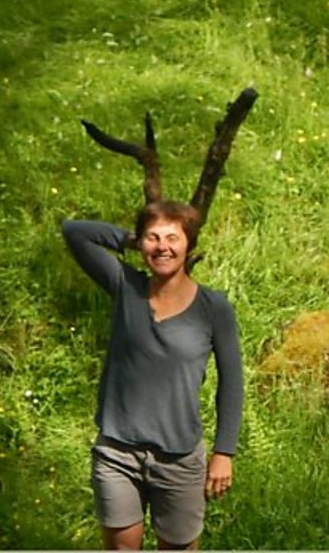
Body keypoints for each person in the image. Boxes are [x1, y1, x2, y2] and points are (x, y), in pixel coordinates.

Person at [61, 200, 243, 550]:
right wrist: (133, 239)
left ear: (189, 244)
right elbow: (75, 232)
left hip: (179, 458)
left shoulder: (214, 308)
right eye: (153, 238)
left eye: (173, 238)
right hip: (117, 453)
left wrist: (224, 452)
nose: (163, 247)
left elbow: (231, 382)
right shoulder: (125, 287)